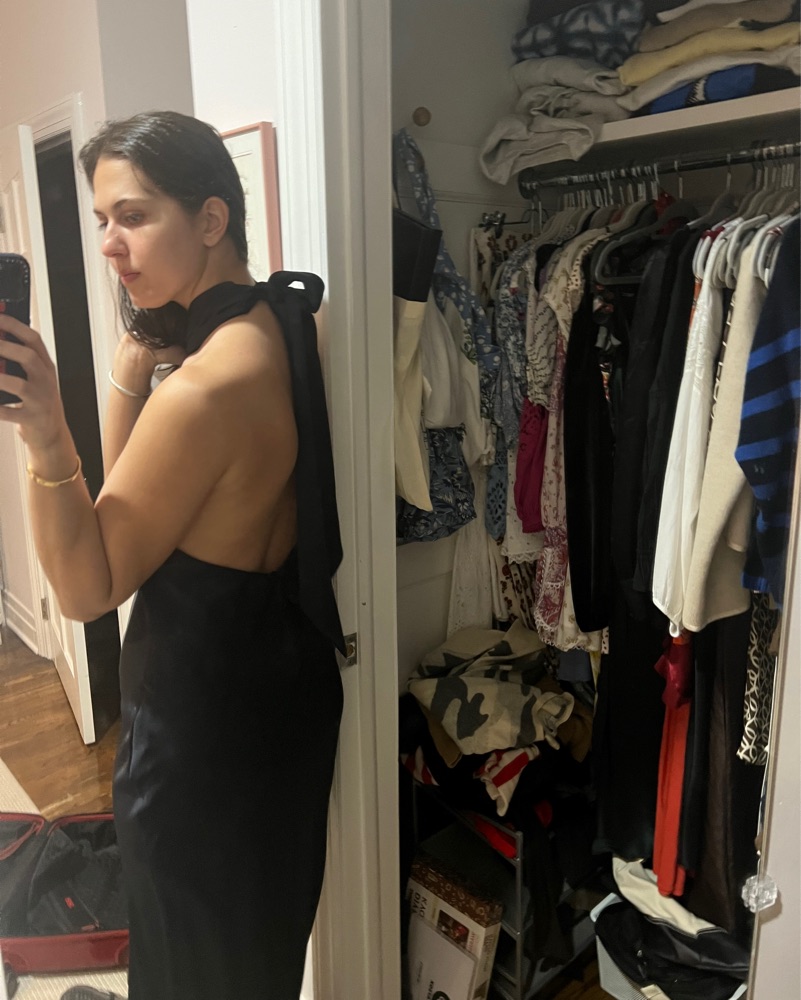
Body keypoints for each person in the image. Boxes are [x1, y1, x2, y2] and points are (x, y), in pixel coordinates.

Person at [0, 111, 345, 1000]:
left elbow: (88, 586)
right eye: (101, 221)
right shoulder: (281, 321)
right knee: (253, 953)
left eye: (134, 216)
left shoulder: (201, 392)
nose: (109, 245)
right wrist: (133, 359)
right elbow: (132, 500)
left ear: (210, 218)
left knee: (189, 967)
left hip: (197, 739)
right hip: (279, 701)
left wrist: (45, 433)